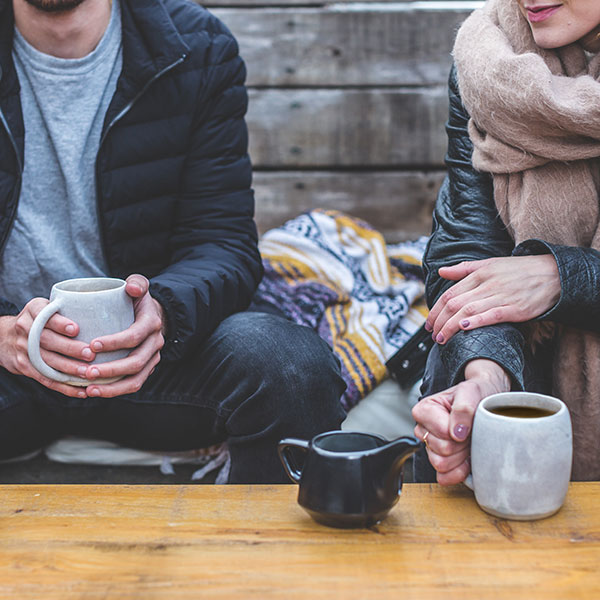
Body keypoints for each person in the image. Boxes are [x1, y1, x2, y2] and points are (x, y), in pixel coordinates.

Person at [0, 0, 346, 482]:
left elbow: (223, 243)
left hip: (155, 361)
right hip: (9, 366)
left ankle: (266, 557)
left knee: (290, 368)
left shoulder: (196, 46)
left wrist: (161, 314)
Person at [412, 0, 600, 484]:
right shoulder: (489, 59)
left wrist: (561, 277)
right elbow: (465, 251)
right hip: (536, 355)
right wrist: (487, 373)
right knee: (452, 371)